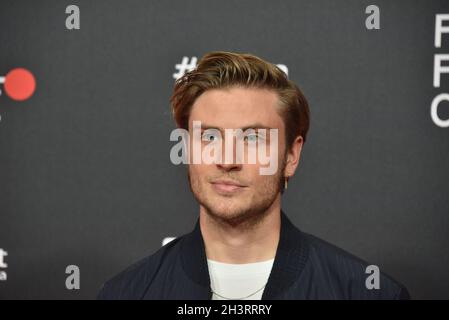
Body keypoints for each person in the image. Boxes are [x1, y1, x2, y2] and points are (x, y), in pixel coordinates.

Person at [97, 51, 409, 300]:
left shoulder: (365, 293)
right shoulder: (127, 293)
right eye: (209, 137)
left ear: (291, 156)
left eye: (252, 138)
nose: (227, 159)